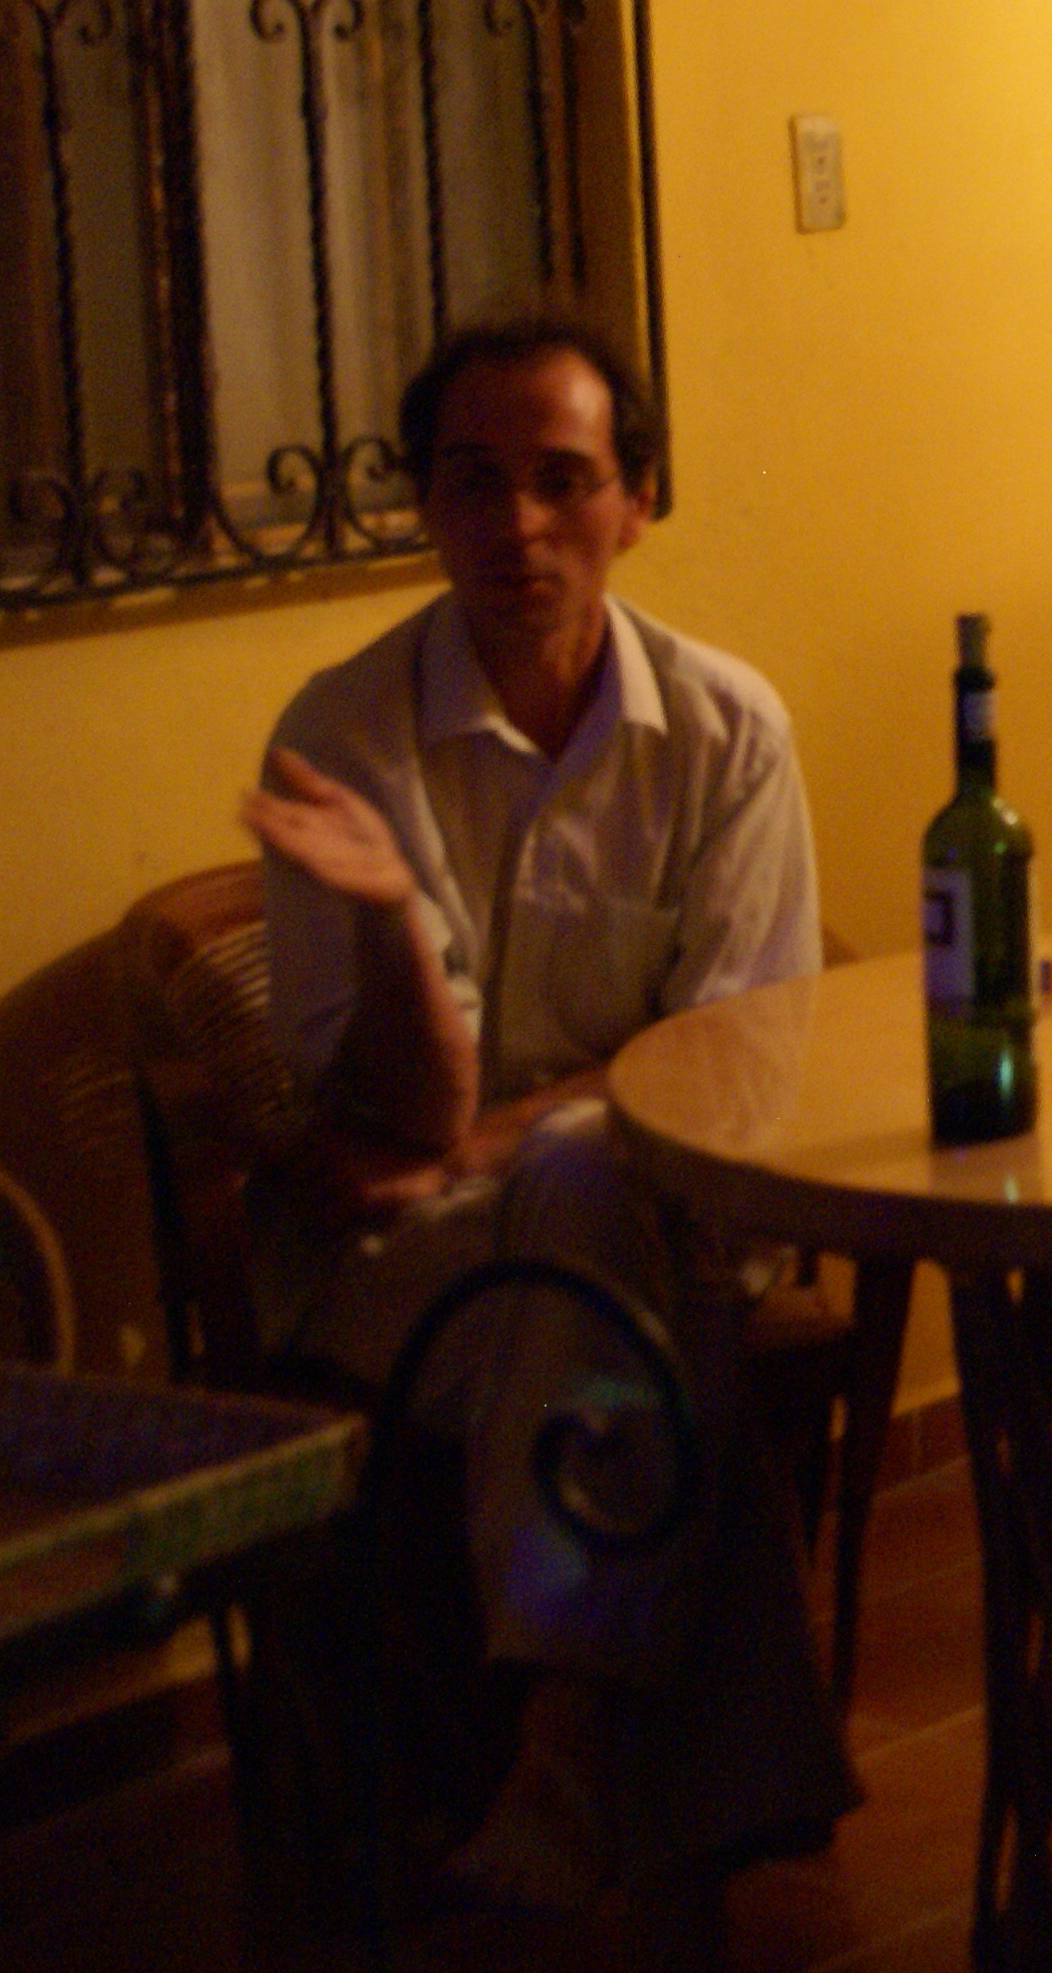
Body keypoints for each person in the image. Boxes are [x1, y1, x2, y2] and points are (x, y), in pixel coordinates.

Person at [242, 314, 854, 1920]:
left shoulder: (728, 731)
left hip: (665, 1196)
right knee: (618, 1274)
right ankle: (645, 1781)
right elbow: (404, 1119)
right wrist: (392, 928)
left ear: (637, 501)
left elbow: (728, 1065)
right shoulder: (341, 737)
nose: (516, 524)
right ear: (424, 506)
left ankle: (558, 1769)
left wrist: (489, 1143)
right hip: (410, 1260)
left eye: (561, 480)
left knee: (593, 1191)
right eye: (472, 481)